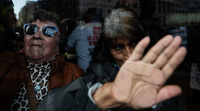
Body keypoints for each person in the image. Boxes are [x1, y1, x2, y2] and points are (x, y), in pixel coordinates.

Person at [38, 8, 187, 111]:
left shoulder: (153, 70)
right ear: (108, 50)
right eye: (118, 48)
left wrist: (157, 104)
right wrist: (100, 96)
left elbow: (175, 105)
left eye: (135, 45)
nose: (129, 56)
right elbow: (48, 106)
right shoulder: (98, 73)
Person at [0, 9, 84, 111]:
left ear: (59, 47)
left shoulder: (74, 76)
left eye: (48, 31)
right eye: (31, 29)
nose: (36, 35)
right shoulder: (4, 62)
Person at [65, 7, 102, 72]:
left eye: (85, 16)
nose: (84, 18)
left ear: (90, 15)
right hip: (102, 71)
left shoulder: (80, 29)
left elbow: (67, 48)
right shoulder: (106, 29)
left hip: (84, 71)